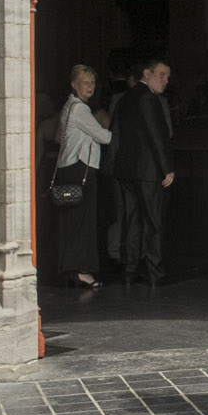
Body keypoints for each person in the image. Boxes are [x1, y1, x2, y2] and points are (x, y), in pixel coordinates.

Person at [108, 59, 174, 287]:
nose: (166, 80)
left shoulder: (124, 99)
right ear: (147, 73)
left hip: (125, 171)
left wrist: (114, 165)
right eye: (162, 74)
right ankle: (156, 273)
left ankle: (130, 270)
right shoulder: (148, 99)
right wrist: (166, 168)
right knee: (153, 222)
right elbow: (157, 136)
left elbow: (114, 133)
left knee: (132, 222)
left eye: (167, 76)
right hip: (147, 171)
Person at [56, 64, 111, 288]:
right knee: (83, 223)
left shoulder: (69, 107)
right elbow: (105, 137)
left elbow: (57, 138)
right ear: (74, 84)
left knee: (71, 223)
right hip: (80, 170)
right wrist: (106, 122)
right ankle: (82, 271)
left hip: (69, 169)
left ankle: (72, 269)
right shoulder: (80, 109)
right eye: (85, 82)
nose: (90, 86)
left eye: (92, 82)